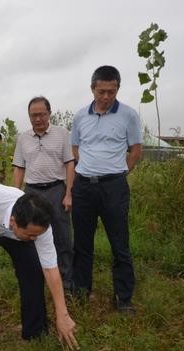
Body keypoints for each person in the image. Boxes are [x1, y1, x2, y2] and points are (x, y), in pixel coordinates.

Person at [0, 183, 79, 351]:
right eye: (31, 235)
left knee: (33, 270)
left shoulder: (39, 226)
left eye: (38, 235)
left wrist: (62, 314)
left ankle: (35, 332)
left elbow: (50, 269)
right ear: (13, 221)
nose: (35, 239)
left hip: (14, 234)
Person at [70, 65, 143, 313]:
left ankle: (123, 297)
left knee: (119, 243)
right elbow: (75, 148)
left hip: (114, 188)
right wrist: (88, 167)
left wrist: (121, 172)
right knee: (81, 243)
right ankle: (81, 291)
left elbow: (136, 150)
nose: (106, 97)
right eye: (101, 91)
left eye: (111, 92)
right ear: (92, 89)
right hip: (84, 188)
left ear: (117, 89)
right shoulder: (80, 116)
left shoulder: (129, 115)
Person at [13, 96, 75, 290]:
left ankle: (65, 281)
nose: (37, 119)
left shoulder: (63, 134)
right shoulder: (23, 138)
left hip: (56, 190)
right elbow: (19, 167)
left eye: (41, 114)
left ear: (49, 113)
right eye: (33, 115)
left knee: (62, 236)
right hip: (32, 192)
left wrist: (68, 193)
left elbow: (69, 164)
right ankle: (37, 279)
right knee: (31, 234)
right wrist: (16, 194)